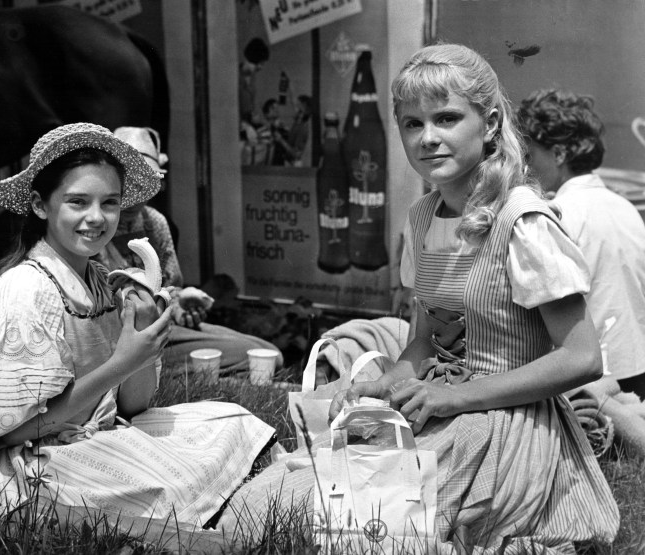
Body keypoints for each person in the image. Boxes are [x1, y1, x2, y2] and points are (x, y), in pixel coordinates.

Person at [216, 44, 619, 552]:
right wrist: (380, 388)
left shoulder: (524, 222)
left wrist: (454, 396)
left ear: (490, 123)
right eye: (412, 124)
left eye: (447, 118)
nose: (428, 138)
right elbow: (424, 345)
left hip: (506, 428)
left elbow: (582, 359)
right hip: (440, 410)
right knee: (263, 505)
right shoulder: (423, 217)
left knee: (345, 524)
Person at [0, 123, 276, 525]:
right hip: (36, 462)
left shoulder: (99, 280)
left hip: (97, 432)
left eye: (109, 203)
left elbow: (133, 405)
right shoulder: (23, 289)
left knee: (233, 420)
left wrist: (141, 337)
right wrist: (122, 363)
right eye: (78, 202)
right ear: (41, 206)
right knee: (174, 480)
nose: (96, 218)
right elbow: (8, 433)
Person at [97, 126, 284, 375]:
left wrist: (179, 303)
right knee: (250, 355)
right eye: (127, 184)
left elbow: (170, 289)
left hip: (160, 326)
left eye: (145, 185)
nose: (135, 196)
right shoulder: (95, 226)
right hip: (119, 338)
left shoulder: (155, 223)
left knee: (267, 351)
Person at [517, 89, 645, 399]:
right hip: (638, 373)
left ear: (559, 154)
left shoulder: (559, 214)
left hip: (591, 385)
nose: (524, 167)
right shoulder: (624, 206)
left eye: (530, 155)